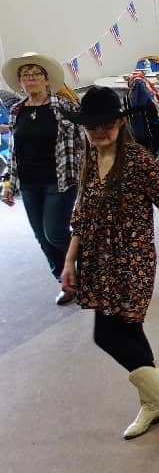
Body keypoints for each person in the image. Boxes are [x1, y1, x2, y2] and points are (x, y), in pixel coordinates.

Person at [61, 87, 159, 441]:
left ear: (119, 123)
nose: (99, 132)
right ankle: (154, 402)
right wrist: (69, 261)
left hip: (132, 259)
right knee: (128, 332)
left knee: (107, 334)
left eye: (106, 125)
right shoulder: (89, 158)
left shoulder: (139, 161)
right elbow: (81, 215)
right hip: (96, 260)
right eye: (92, 126)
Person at [1, 53, 83, 305]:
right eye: (25, 75)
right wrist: (8, 184)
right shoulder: (17, 110)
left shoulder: (64, 108)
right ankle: (67, 282)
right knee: (41, 237)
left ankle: (91, 270)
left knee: (55, 233)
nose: (31, 79)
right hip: (28, 184)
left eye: (36, 74)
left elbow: (84, 143)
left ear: (47, 80)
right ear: (20, 82)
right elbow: (15, 152)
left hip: (59, 181)